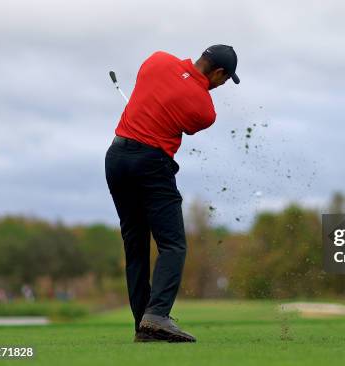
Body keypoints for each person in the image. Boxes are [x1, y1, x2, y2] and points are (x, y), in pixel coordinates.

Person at [105, 45, 239, 343]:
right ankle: (157, 316)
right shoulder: (205, 108)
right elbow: (188, 124)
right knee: (172, 244)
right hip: (151, 164)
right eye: (225, 81)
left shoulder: (156, 59)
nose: (220, 87)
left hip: (116, 158)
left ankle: (144, 324)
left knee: (135, 245)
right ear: (218, 73)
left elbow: (161, 88)